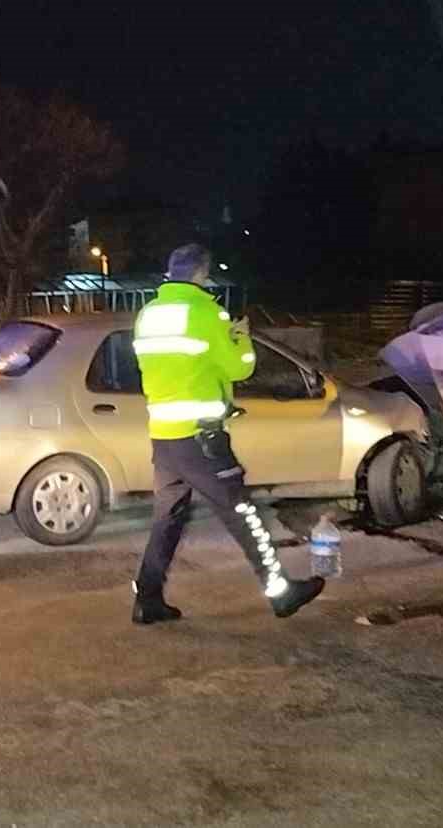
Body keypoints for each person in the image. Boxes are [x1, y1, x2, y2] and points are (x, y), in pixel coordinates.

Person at [129, 243, 324, 625]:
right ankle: (280, 590)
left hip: (165, 438)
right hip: (202, 439)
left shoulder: (148, 315)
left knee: (166, 520)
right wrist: (241, 338)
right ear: (201, 274)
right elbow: (239, 369)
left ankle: (147, 598)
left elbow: (172, 367)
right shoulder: (207, 312)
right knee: (242, 512)